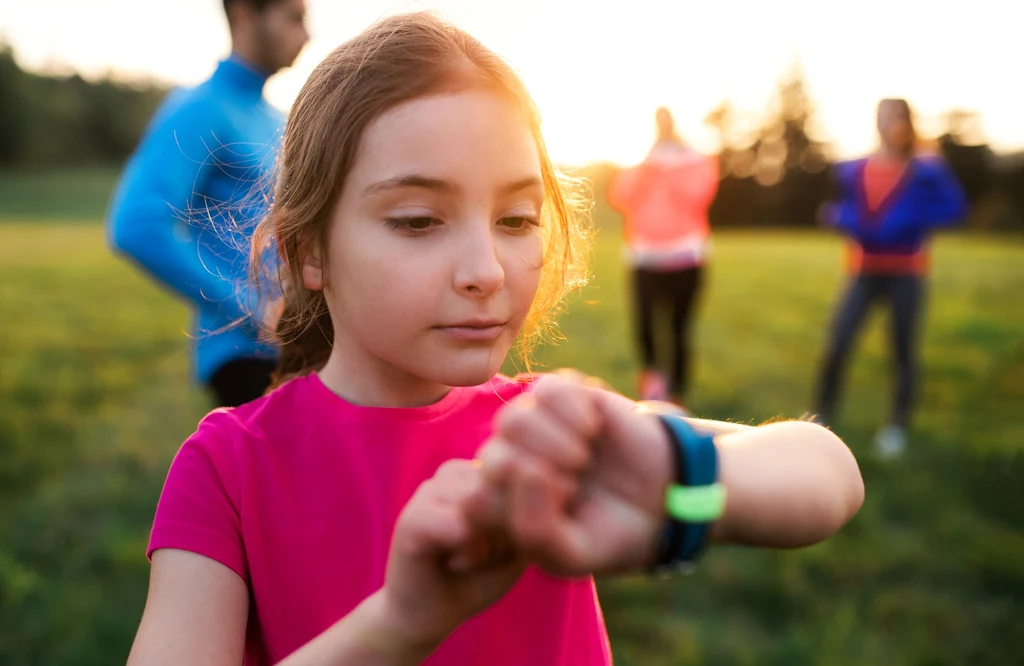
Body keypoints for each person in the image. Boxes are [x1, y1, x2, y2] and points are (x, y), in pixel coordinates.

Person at [127, 13, 865, 666]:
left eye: (516, 219)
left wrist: (680, 485)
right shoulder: (226, 469)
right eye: (418, 220)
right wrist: (401, 626)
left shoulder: (544, 433)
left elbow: (830, 472)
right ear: (308, 251)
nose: (487, 271)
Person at [106, 0, 309, 407]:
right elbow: (137, 224)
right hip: (245, 361)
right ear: (243, 16)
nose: (306, 35)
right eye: (293, 18)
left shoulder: (274, 117)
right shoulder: (201, 109)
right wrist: (251, 309)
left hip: (296, 352)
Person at [814, 98, 968, 457]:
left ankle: (896, 427)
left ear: (907, 122)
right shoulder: (855, 169)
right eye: (884, 116)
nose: (890, 123)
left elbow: (955, 209)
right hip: (863, 270)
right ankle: (820, 418)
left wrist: (910, 220)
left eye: (897, 117)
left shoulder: (926, 168)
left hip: (906, 272)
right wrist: (842, 219)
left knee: (902, 352)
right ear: (876, 121)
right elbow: (839, 208)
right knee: (837, 344)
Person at [607, 107, 719, 406]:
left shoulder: (694, 160)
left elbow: (698, 196)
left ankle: (678, 396)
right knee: (644, 327)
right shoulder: (643, 161)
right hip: (644, 259)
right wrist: (650, 164)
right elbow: (620, 195)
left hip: (687, 259)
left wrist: (670, 167)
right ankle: (653, 387)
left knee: (679, 331)